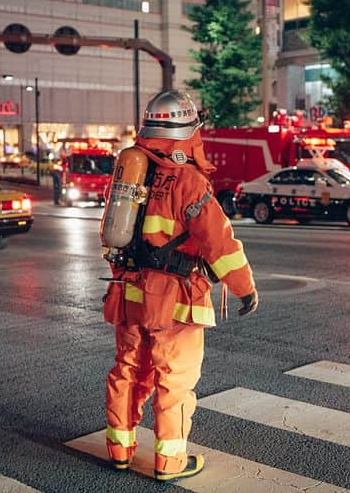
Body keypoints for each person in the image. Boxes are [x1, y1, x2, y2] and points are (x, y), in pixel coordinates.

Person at [102, 91, 257, 482]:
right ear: (187, 129)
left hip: (128, 292)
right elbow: (219, 243)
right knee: (174, 380)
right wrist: (244, 288)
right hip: (172, 300)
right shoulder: (187, 181)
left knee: (128, 370)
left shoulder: (130, 171)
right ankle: (169, 462)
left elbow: (113, 234)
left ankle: (120, 450)